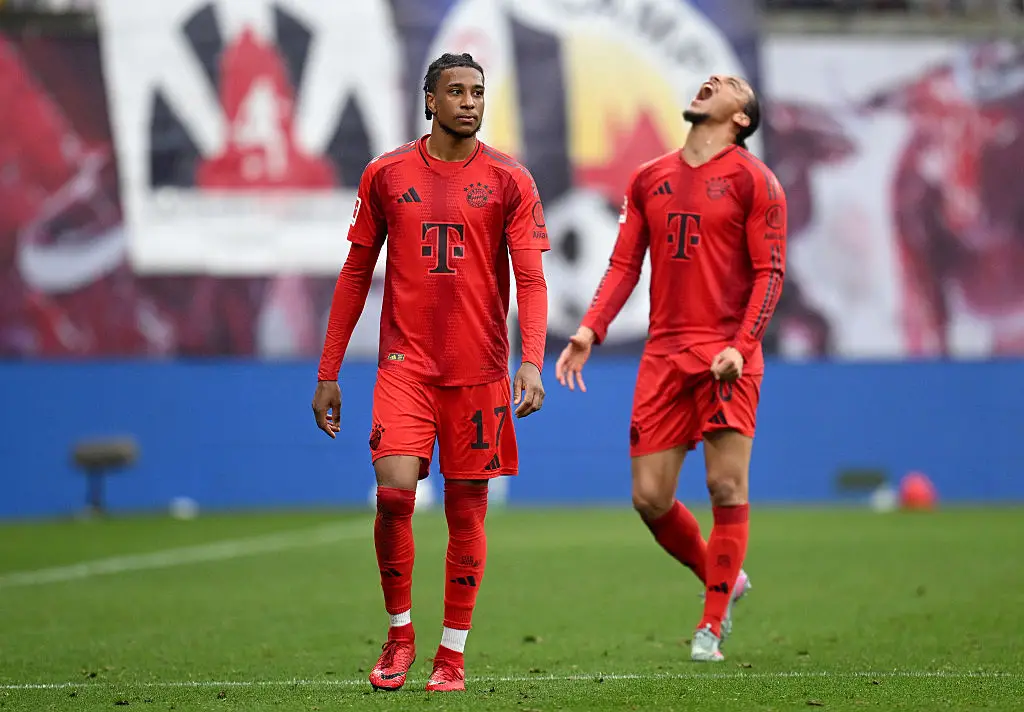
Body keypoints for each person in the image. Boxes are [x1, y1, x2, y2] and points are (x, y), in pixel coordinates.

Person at [311, 52, 549, 692]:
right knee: (393, 496)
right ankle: (399, 636)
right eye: (456, 91)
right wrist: (329, 369)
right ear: (429, 101)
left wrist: (531, 360)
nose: (470, 102)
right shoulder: (386, 175)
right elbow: (356, 272)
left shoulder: (510, 179)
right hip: (404, 368)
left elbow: (530, 277)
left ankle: (452, 655)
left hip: (478, 374)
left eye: (477, 92)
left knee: (466, 514)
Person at [555, 74, 786, 662]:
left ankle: (710, 626)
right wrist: (589, 329)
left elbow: (770, 272)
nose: (713, 81)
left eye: (730, 84)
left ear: (741, 119)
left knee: (724, 484)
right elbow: (624, 264)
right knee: (649, 498)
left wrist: (742, 343)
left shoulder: (756, 183)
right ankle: (723, 576)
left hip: (727, 353)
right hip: (663, 353)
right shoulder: (649, 178)